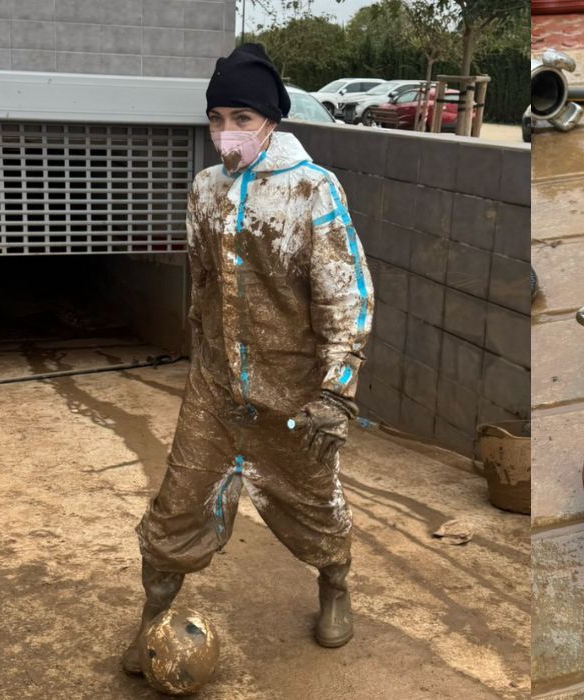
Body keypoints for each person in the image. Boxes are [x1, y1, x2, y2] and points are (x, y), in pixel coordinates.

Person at [121, 43, 374, 676]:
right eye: (216, 118)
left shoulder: (314, 190)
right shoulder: (205, 190)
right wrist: (198, 360)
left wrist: (335, 389)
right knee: (177, 505)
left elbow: (348, 293)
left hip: (290, 393)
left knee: (313, 502)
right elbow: (202, 281)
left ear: (271, 120)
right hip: (214, 390)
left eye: (241, 117)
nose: (226, 133)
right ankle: (153, 621)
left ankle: (335, 584)